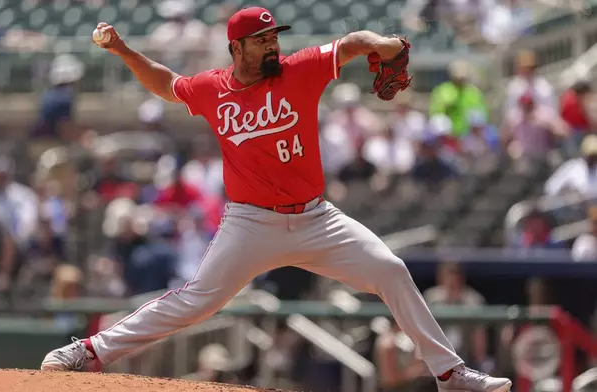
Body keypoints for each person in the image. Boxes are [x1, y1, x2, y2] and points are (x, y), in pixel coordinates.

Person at [40, 8, 511, 392]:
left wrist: (385, 44)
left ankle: (449, 374)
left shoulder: (298, 71)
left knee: (391, 270)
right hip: (250, 224)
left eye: (274, 36)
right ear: (237, 47)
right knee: (195, 301)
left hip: (316, 219)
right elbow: (166, 83)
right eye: (262, 39)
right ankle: (89, 351)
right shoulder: (213, 89)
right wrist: (122, 49)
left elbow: (350, 43)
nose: (273, 44)